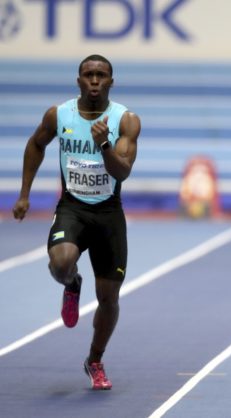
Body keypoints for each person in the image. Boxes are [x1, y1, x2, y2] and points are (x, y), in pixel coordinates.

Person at [12, 55, 141, 389]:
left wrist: (104, 145)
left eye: (101, 75)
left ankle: (95, 360)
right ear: (78, 80)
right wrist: (24, 193)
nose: (95, 80)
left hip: (109, 213)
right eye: (88, 75)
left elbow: (122, 170)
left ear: (112, 81)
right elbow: (35, 144)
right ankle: (71, 283)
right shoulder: (59, 115)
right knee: (61, 262)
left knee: (109, 298)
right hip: (73, 207)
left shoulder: (125, 121)